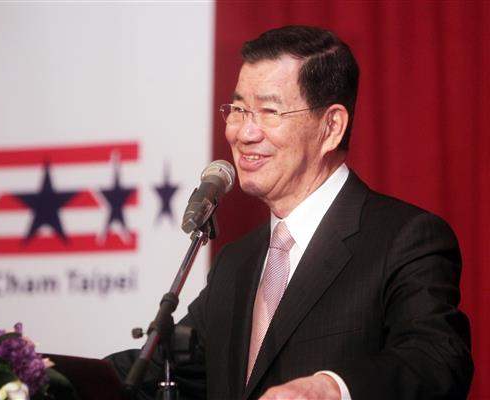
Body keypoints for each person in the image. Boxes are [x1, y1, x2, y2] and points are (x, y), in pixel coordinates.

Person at [107, 25, 473, 400]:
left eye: (269, 111)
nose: (243, 133)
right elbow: (159, 370)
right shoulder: (236, 262)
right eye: (238, 110)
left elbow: (437, 359)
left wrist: (332, 388)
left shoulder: (404, 239)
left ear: (331, 127)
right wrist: (67, 379)